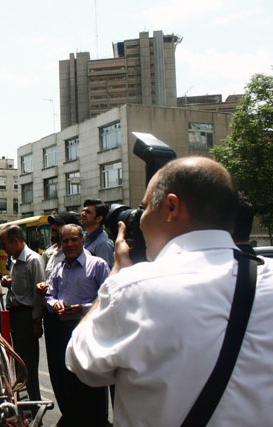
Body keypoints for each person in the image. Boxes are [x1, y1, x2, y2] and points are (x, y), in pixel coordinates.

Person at [66, 157, 273, 426]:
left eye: (144, 208)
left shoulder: (132, 288)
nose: (139, 220)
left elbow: (82, 362)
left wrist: (117, 272)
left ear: (172, 207)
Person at [44, 223, 109, 426]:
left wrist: (82, 308)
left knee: (92, 383)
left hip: (90, 332)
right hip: (63, 332)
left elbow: (108, 299)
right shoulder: (59, 268)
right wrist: (55, 304)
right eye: (65, 241)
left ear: (83, 240)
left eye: (74, 239)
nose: (70, 244)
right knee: (68, 382)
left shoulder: (97, 265)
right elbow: (49, 296)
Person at [0, 224, 45, 405]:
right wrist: (9, 283)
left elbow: (38, 294)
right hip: (14, 317)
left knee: (28, 367)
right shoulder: (14, 260)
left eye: (4, 244)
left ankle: (35, 406)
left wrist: (36, 322)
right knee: (16, 365)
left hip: (26, 318)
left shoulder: (34, 260)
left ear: (16, 241)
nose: (3, 248)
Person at [80, 199, 114, 267]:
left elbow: (105, 270)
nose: (83, 214)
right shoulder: (83, 237)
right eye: (83, 211)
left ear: (98, 218)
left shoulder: (103, 244)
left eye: (88, 212)